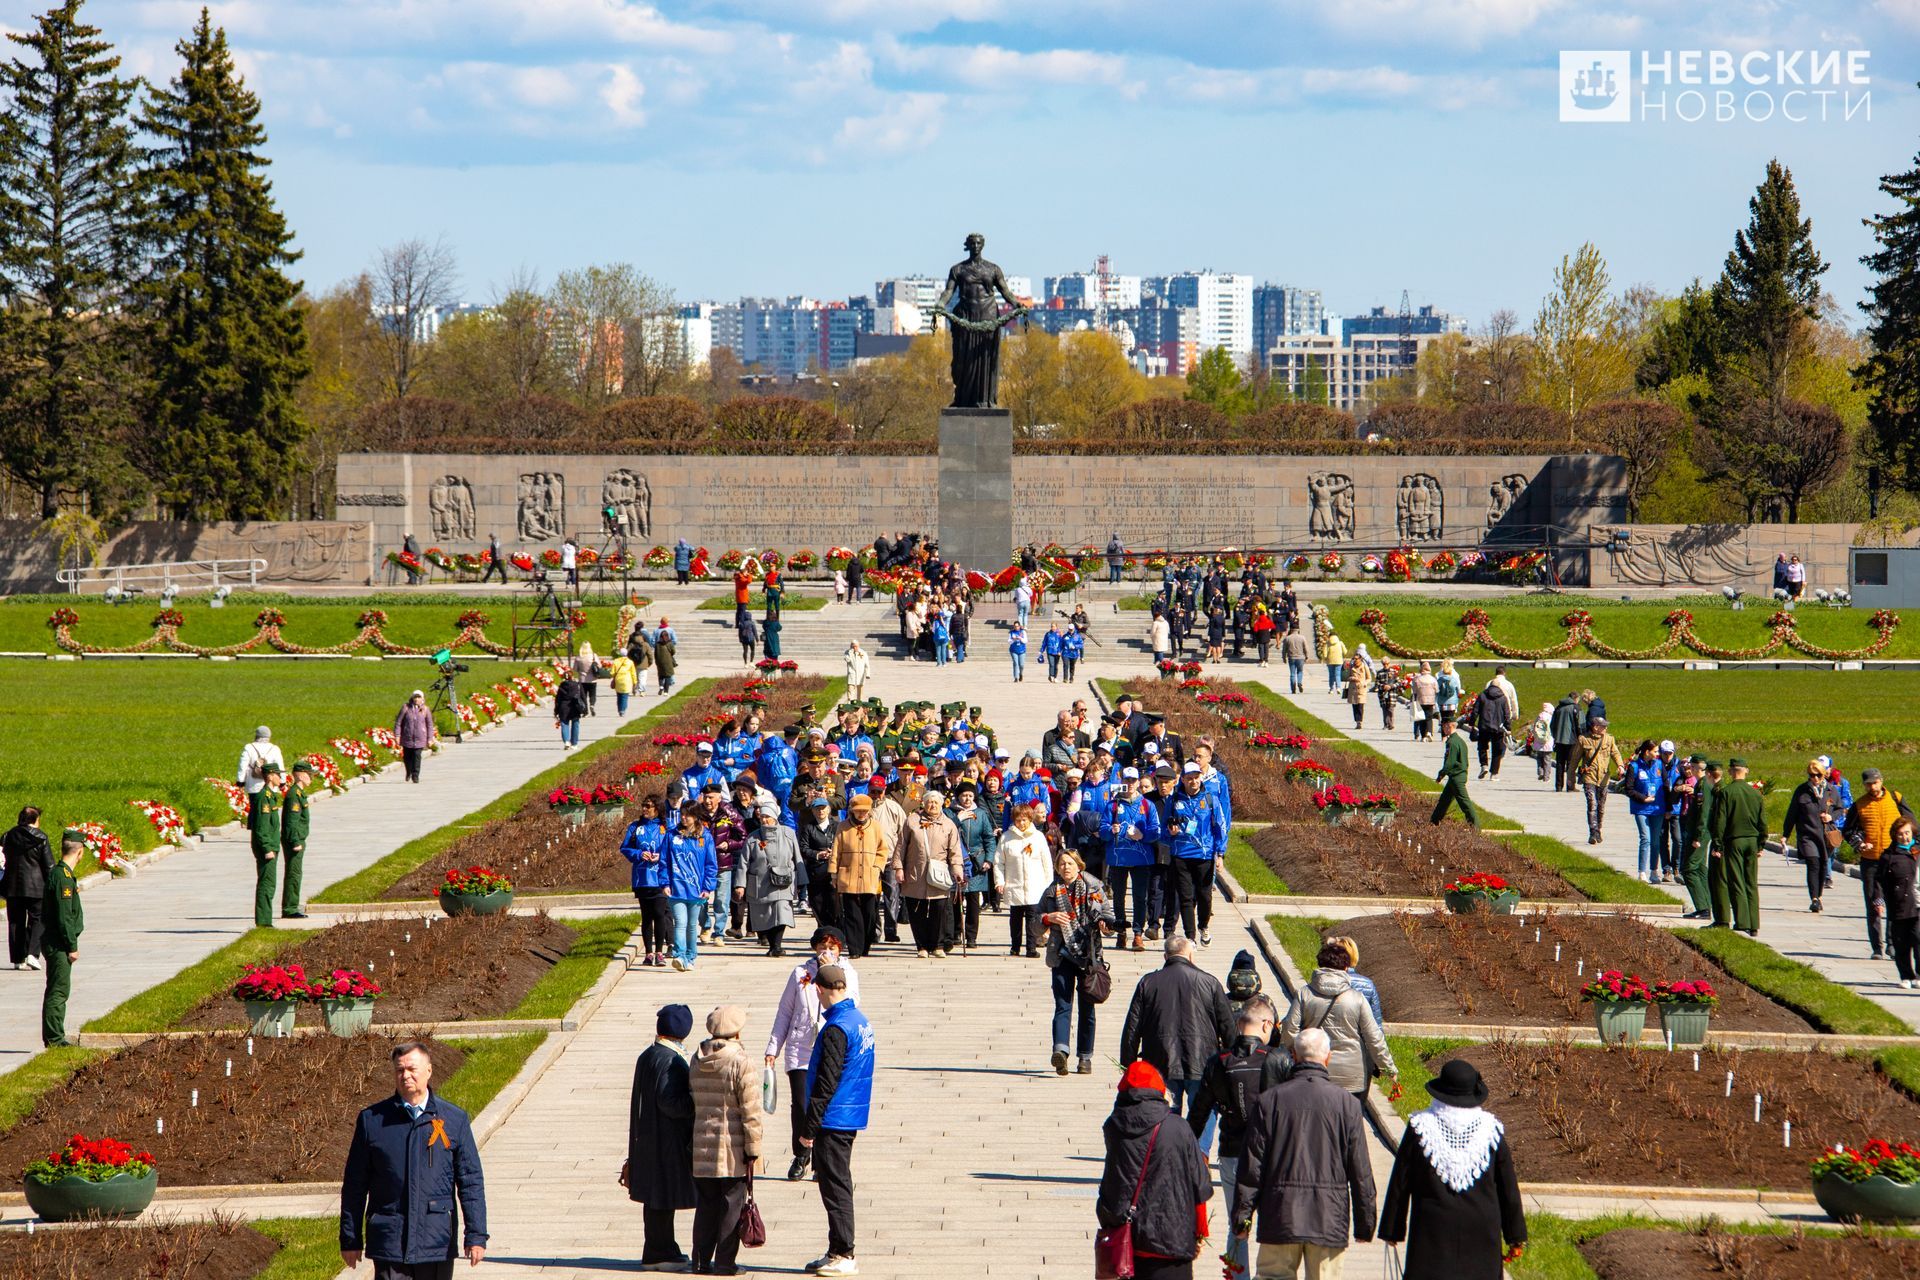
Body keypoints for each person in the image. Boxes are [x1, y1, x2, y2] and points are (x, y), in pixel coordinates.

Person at [1233, 1026, 1376, 1280]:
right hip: (1327, 1218)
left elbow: (1252, 1164)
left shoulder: (1270, 1101)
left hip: (1280, 1214)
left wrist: (1243, 1217)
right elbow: (1360, 1169)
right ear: (1328, 1058)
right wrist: (1365, 1224)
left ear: (1294, 1057)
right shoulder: (1347, 1104)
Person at [340, 1041, 488, 1277]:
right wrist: (350, 1238)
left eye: (412, 1069)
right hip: (390, 1242)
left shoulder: (454, 1119)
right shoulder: (372, 1121)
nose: (405, 1076)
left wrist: (476, 1235)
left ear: (428, 1070)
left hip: (435, 1241)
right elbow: (355, 1185)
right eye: (399, 1070)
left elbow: (470, 1181)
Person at [1378, 1060, 1527, 1280]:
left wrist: (1393, 1228)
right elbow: (1508, 1187)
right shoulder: (1490, 1130)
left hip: (1432, 1229)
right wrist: (1515, 1235)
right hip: (1481, 1231)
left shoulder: (1421, 1127)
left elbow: (1401, 1179)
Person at [1097, 1060, 1215, 1280]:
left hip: (1129, 1239)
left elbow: (1113, 1182)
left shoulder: (1113, 1126)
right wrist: (1199, 1233)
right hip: (1173, 1239)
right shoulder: (1178, 1127)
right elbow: (1198, 1184)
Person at [1195, 998, 1289, 1274]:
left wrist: (1190, 1148)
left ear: (1238, 1024)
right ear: (1267, 1024)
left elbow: (1200, 1111)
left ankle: (1238, 1274)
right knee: (1273, 1223)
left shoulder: (1218, 1062)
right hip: (1272, 1155)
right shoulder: (1276, 1059)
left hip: (1232, 1151)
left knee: (1238, 1223)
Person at [766, 929, 861, 1180]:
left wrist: (832, 974)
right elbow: (785, 1012)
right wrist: (773, 1048)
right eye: (822, 946)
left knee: (823, 1102)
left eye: (832, 946)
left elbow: (850, 1003)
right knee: (800, 1104)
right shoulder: (800, 973)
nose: (826, 951)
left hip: (830, 1046)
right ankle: (801, 1153)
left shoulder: (848, 973)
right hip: (801, 1047)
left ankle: (821, 1159)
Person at [798, 965, 874, 1278]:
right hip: (850, 1111)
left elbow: (825, 1082)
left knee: (836, 1186)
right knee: (835, 1182)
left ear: (820, 990)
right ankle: (836, 1249)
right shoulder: (859, 1020)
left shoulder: (836, 1029)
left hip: (834, 1116)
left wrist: (808, 1129)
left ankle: (844, 1252)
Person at [1120, 936, 1234, 1121]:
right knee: (1202, 1113)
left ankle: (1169, 1148)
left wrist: (1128, 1064)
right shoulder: (1210, 982)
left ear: (1166, 957)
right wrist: (1232, 1062)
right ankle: (1200, 1149)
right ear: (1190, 956)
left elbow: (1132, 1028)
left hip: (1160, 1060)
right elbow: (1228, 1027)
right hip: (1202, 1059)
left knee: (1165, 1115)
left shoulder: (1148, 983)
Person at [689, 1004, 762, 1278]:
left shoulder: (697, 1059)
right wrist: (753, 1148)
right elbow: (751, 1110)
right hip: (731, 1145)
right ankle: (725, 1262)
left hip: (701, 1141)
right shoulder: (741, 1062)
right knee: (732, 1203)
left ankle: (699, 1259)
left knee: (706, 1204)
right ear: (737, 1031)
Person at [623, 1004, 697, 1271]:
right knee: (663, 1197)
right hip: (666, 1141)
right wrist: (694, 1102)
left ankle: (659, 1248)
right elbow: (669, 1101)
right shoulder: (671, 1060)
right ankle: (660, 1251)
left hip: (650, 1138)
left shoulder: (649, 1054)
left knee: (657, 1199)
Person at [1040, 848, 1115, 1076]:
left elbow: (1109, 915)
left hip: (1088, 955)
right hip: (1061, 954)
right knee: (1063, 1005)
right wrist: (1047, 918)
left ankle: (1085, 1057)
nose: (1066, 868)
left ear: (1079, 865)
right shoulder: (1053, 891)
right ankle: (1060, 1052)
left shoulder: (1094, 886)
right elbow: (1035, 920)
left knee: (1087, 1007)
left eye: (1070, 864)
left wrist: (1105, 924)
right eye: (1062, 864)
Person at [1843, 766, 1908, 960]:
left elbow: (1911, 823)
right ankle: (1877, 947)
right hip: (1870, 861)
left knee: (1895, 903)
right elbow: (1848, 830)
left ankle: (1892, 944)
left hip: (1894, 859)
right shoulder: (1859, 805)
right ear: (1864, 785)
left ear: (1882, 781)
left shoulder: (1895, 799)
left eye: (1875, 782)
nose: (1873, 786)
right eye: (1868, 784)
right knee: (1873, 903)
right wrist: (1859, 843)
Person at [892, 790, 966, 959]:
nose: (932, 805)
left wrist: (957, 870)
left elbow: (955, 851)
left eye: (936, 802)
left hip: (938, 875)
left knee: (939, 911)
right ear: (923, 804)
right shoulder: (912, 821)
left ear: (942, 805)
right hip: (915, 873)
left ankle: (938, 945)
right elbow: (901, 846)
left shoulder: (948, 825)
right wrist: (898, 868)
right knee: (916, 911)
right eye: (929, 802)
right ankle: (922, 945)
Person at [1711, 758, 1767, 936]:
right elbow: (1762, 822)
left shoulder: (1726, 792)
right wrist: (1761, 843)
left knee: (1736, 880)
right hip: (1752, 840)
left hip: (1734, 840)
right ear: (1746, 771)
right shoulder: (1756, 794)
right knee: (1751, 881)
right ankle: (1754, 923)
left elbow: (1720, 821)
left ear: (1730, 772)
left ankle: (1742, 921)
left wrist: (1718, 844)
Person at [831, 793, 891, 959]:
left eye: (864, 811)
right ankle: (854, 948)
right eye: (858, 811)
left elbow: (883, 849)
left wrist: (877, 867)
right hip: (848, 874)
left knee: (870, 913)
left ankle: (866, 945)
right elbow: (836, 851)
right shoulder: (843, 826)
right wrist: (834, 874)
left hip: (869, 875)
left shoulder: (876, 827)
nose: (861, 814)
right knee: (851, 913)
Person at [40, 829, 83, 1047]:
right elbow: (64, 917)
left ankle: (53, 1036)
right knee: (58, 991)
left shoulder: (61, 874)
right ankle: (55, 1039)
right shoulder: (63, 878)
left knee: (57, 989)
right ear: (80, 852)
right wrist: (72, 946)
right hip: (58, 944)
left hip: (56, 941)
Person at [620, 796, 675, 967]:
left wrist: (661, 856)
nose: (645, 809)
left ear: (657, 808)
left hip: (660, 878)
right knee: (646, 917)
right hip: (642, 879)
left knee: (660, 914)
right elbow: (625, 847)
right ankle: (648, 953)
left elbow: (674, 848)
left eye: (648, 806)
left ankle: (659, 952)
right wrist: (638, 854)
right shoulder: (635, 827)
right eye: (643, 805)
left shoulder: (666, 828)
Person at [665, 807, 719, 971]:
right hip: (676, 889)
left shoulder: (705, 836)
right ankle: (679, 955)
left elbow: (711, 865)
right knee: (680, 922)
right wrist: (665, 883)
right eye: (682, 815)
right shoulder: (671, 835)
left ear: (696, 817)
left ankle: (690, 957)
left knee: (691, 925)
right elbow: (664, 862)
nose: (684, 818)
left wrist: (708, 887)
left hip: (696, 889)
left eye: (688, 815)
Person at [744, 798, 800, 957]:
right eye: (762, 817)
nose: (764, 819)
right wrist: (740, 886)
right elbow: (743, 863)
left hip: (783, 881)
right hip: (760, 883)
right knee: (765, 915)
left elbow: (798, 857)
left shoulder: (788, 834)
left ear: (775, 817)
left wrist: (802, 880)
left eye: (767, 816)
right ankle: (770, 944)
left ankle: (777, 945)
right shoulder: (753, 838)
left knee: (781, 912)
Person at [995, 803, 1052, 957]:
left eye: (1025, 820)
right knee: (1015, 919)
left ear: (1030, 820)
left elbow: (1046, 862)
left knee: (1033, 919)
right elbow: (999, 862)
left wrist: (1049, 884)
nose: (1021, 823)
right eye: (1018, 820)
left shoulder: (1038, 837)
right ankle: (1015, 947)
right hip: (1014, 884)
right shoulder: (1006, 837)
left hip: (1035, 885)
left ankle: (1031, 948)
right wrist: (999, 881)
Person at [1785, 758, 1838, 914]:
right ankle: (1814, 898)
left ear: (1823, 775)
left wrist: (1831, 817)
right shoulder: (1802, 790)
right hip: (1807, 834)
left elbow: (1841, 809)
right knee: (1813, 862)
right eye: (1811, 775)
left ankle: (1819, 895)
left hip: (1825, 835)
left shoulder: (1831, 790)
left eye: (1817, 775)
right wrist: (1785, 835)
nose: (1814, 778)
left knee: (1823, 864)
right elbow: (1792, 813)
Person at [948, 784, 997, 949]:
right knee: (956, 898)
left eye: (970, 795)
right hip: (956, 860)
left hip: (976, 862)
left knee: (973, 900)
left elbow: (989, 838)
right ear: (958, 797)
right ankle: (955, 933)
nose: (967, 799)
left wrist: (989, 859)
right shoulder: (949, 812)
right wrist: (957, 820)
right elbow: (944, 832)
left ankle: (971, 936)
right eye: (963, 796)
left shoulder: (981, 814)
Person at [3, 807, 51, 971]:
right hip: (36, 887)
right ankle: (32, 953)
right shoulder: (41, 837)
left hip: (13, 886)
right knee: (38, 919)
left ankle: (18, 958)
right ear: (35, 820)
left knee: (15, 921)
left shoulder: (8, 836)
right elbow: (48, 865)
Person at [1572, 716, 1624, 845]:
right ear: (1595, 727)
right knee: (1592, 804)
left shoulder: (1609, 739)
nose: (1606, 728)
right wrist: (1570, 777)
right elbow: (1575, 759)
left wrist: (1620, 765)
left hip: (1604, 778)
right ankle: (1593, 832)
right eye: (1603, 726)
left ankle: (1599, 828)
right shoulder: (1583, 740)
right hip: (1589, 776)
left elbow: (1615, 753)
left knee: (1601, 806)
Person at [1882, 815, 1920, 987]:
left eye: (1907, 833)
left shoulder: (1918, 851)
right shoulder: (1889, 856)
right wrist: (1878, 900)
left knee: (1918, 938)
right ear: (1895, 836)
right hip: (1899, 904)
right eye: (1901, 834)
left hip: (1918, 903)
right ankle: (1906, 976)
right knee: (1901, 943)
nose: (1905, 837)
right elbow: (1879, 880)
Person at [247, 761, 286, 929]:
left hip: (271, 845)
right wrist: (267, 848)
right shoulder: (264, 798)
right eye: (278, 775)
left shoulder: (270, 796)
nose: (281, 778)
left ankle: (265, 919)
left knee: (270, 883)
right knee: (266, 883)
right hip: (267, 847)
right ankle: (263, 921)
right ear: (270, 776)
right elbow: (261, 827)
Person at [1675, 758, 1715, 921]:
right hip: (1699, 833)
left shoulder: (1703, 785)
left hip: (1699, 834)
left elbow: (1703, 814)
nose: (1689, 769)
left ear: (1698, 768)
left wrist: (1698, 836)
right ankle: (1707, 904)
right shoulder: (1702, 784)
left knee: (1689, 869)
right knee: (1699, 868)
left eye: (1691, 766)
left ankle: (1703, 907)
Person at [1624, 739, 1665, 883]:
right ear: (1647, 752)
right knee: (1645, 839)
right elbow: (1628, 789)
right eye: (1655, 751)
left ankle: (1654, 871)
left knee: (1655, 841)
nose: (1657, 754)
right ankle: (1642, 872)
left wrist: (1669, 807)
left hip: (1657, 808)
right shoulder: (1634, 767)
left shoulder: (1659, 764)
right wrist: (1642, 798)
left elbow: (1665, 785)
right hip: (1641, 808)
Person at [1429, 714, 1477, 829]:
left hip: (1456, 777)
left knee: (1464, 803)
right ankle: (1433, 822)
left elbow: (1449, 762)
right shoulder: (1459, 740)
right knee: (1443, 801)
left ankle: (1475, 827)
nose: (1443, 729)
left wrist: (1441, 774)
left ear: (1449, 726)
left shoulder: (1452, 742)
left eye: (1444, 726)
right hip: (1456, 776)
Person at [279, 760, 313, 920]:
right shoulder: (294, 795)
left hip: (298, 838)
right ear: (300, 775)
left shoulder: (299, 793)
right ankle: (290, 908)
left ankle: (292, 905)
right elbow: (291, 821)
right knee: (294, 873)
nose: (311, 778)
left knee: (296, 873)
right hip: (295, 840)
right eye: (308, 774)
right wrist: (294, 841)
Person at [394, 692, 432, 781]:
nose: (417, 699)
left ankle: (415, 775)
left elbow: (429, 725)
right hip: (407, 737)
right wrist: (397, 735)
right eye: (415, 697)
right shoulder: (406, 708)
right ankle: (408, 771)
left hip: (420, 738)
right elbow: (398, 722)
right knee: (407, 757)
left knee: (417, 756)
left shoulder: (425, 709)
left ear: (422, 699)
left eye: (419, 697)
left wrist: (430, 738)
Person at [237, 724, 285, 796]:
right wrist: (282, 781)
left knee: (255, 806)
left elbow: (242, 766)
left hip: (253, 786)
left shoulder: (249, 747)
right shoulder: (275, 748)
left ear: (257, 735)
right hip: (271, 785)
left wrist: (240, 781)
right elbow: (280, 767)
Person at [1550, 691, 1583, 792]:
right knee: (1571, 764)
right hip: (1572, 740)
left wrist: (1555, 736)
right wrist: (1580, 735)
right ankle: (1570, 786)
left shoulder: (1558, 707)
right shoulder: (1576, 708)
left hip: (1559, 739)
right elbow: (1580, 724)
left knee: (1560, 763)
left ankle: (1559, 786)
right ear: (1576, 698)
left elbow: (1552, 725)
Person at [553, 672, 588, 750]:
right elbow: (583, 697)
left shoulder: (562, 686)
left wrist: (556, 711)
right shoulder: (578, 685)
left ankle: (566, 741)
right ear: (572, 677)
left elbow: (558, 699)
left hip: (563, 707)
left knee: (564, 724)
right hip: (575, 707)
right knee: (575, 724)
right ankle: (574, 743)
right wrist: (585, 710)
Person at [1524, 702, 1554, 782]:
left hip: (1538, 742)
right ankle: (1546, 777)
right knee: (1547, 760)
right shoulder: (1551, 717)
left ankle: (1540, 772)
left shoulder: (1539, 716)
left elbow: (1534, 728)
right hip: (1548, 741)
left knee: (1539, 758)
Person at [573, 642, 603, 716]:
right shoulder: (593, 656)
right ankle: (592, 705)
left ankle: (585, 711)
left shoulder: (579, 657)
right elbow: (599, 666)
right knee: (592, 694)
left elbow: (575, 669)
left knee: (583, 696)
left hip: (582, 679)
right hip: (592, 679)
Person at [1341, 657, 1371, 730]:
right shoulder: (1351, 667)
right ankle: (1357, 721)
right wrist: (1352, 678)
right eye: (1354, 659)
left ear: (1360, 660)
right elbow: (1347, 677)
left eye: (1357, 659)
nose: (1355, 660)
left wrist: (1364, 683)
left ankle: (1360, 722)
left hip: (1361, 688)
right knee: (1354, 706)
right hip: (1353, 689)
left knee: (1360, 706)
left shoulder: (1364, 666)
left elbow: (1369, 678)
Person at [607, 648, 637, 716]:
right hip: (627, 681)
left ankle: (619, 708)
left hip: (618, 680)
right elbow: (633, 673)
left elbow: (612, 672)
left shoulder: (616, 661)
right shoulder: (630, 662)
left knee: (619, 696)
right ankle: (622, 710)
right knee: (624, 696)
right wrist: (635, 682)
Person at [1281, 627, 1311, 694]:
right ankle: (1299, 682)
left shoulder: (1287, 638)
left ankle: (1293, 687)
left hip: (1291, 657)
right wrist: (1307, 656)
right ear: (1298, 630)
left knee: (1292, 673)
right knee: (1300, 671)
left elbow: (1284, 649)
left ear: (1291, 630)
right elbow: (1306, 648)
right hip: (1300, 657)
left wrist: (1284, 657)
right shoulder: (1302, 638)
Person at [654, 617, 678, 695]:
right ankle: (666, 691)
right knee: (668, 675)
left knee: (661, 674)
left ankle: (661, 686)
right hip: (668, 659)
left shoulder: (656, 632)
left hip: (659, 659)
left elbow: (652, 642)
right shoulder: (670, 632)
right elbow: (674, 648)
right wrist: (670, 651)